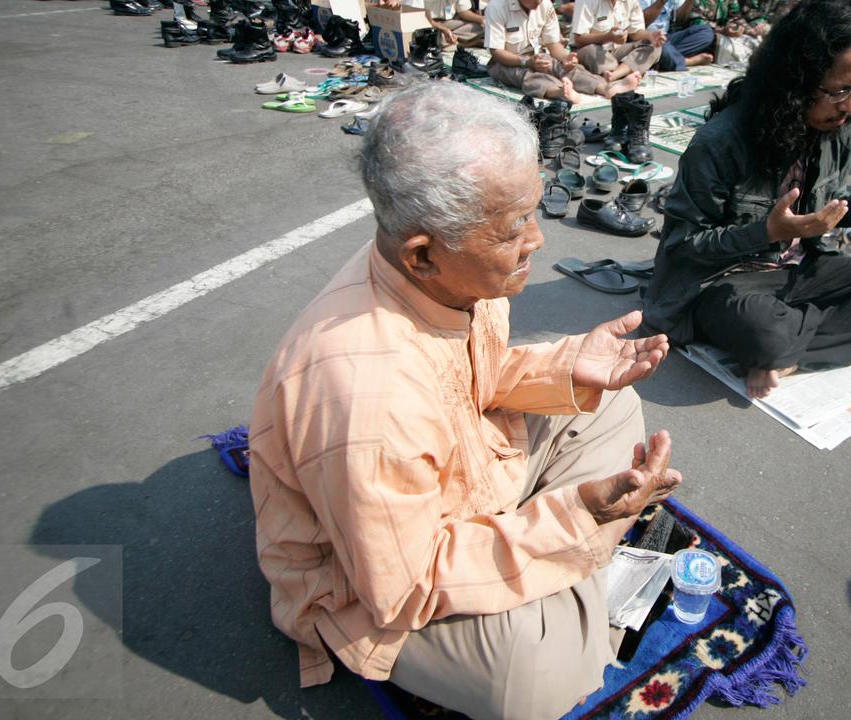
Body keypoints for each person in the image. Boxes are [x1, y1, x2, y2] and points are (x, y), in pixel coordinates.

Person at [248, 83, 682, 720]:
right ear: (422, 255)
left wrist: (568, 366)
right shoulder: (367, 395)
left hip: (462, 471)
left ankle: (566, 584)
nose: (536, 240)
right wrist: (575, 519)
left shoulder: (442, 271)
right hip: (371, 577)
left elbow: (473, 376)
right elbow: (403, 585)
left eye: (533, 212)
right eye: (513, 229)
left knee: (609, 402)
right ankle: (581, 585)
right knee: (531, 681)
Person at [642, 0, 851, 399]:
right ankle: (795, 341)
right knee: (763, 329)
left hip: (798, 271)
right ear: (795, 80)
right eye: (837, 90)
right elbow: (682, 248)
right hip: (725, 283)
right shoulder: (720, 142)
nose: (850, 105)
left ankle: (787, 352)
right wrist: (765, 232)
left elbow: (824, 207)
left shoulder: (837, 127)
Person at [485, 0, 643, 102]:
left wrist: (566, 58)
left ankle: (605, 88)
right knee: (527, 75)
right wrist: (526, 62)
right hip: (506, 62)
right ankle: (559, 92)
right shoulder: (497, 6)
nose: (538, 2)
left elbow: (553, 44)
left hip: (538, 56)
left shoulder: (544, 5)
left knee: (566, 68)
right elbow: (496, 51)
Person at [571, 0, 664, 81]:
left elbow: (635, 33)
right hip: (592, 50)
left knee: (654, 46)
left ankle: (614, 75)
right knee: (590, 50)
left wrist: (650, 35)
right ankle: (624, 73)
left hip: (616, 52)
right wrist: (608, 37)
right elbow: (579, 39)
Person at [640, 0, 717, 69]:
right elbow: (641, 23)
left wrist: (689, 1)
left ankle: (664, 58)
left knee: (706, 32)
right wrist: (661, 2)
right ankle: (687, 61)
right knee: (660, 45)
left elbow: (680, 20)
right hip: (646, 37)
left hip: (667, 37)